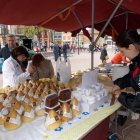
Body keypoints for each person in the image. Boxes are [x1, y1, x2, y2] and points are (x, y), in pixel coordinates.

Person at [112, 29, 140, 113]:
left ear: (131, 47)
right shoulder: (136, 62)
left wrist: (120, 96)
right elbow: (132, 76)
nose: (122, 55)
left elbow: (138, 104)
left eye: (122, 51)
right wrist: (119, 84)